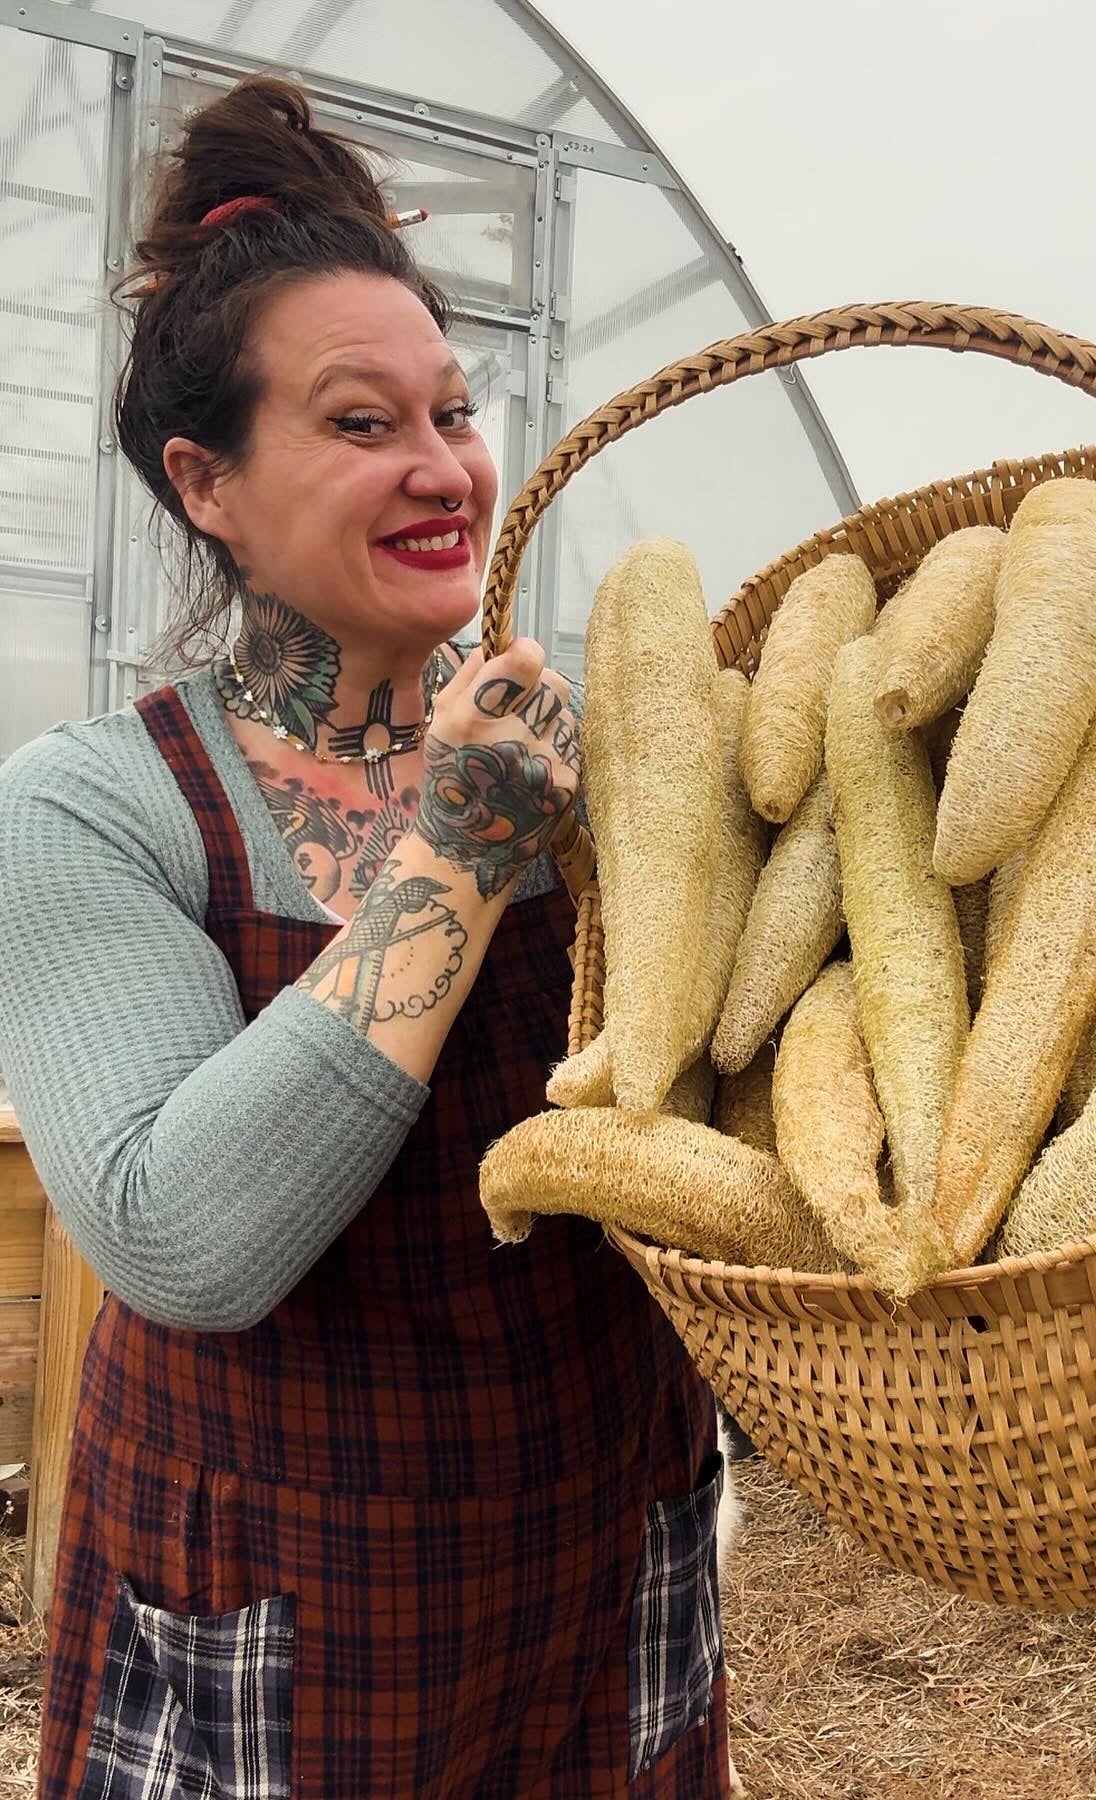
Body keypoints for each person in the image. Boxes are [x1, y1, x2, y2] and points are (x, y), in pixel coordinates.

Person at [0, 77, 731, 1797]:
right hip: (279, 1600)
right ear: (208, 482)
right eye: (358, 423)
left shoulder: (600, 758)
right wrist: (463, 849)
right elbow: (186, 1243)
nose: (444, 467)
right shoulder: (99, 805)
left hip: (602, 1534)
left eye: (455, 411)